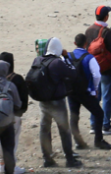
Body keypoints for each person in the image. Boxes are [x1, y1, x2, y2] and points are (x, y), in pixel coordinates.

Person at [33, 38, 82, 169]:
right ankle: (70, 159)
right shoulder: (57, 63)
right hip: (57, 102)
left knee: (44, 129)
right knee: (64, 131)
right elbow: (73, 72)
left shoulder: (38, 60)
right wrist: (66, 57)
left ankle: (47, 159)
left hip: (43, 101)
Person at [66, 35, 111, 153]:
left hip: (71, 91)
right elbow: (97, 75)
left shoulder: (67, 56)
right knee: (98, 113)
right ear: (86, 43)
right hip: (85, 91)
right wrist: (95, 88)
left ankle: (78, 141)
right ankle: (98, 140)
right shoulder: (89, 58)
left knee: (74, 115)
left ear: (74, 43)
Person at [84, 5, 111, 135]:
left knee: (95, 97)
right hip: (107, 70)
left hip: (92, 70)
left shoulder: (89, 30)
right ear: (106, 17)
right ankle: (105, 125)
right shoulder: (106, 32)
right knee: (106, 98)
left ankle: (94, 124)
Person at [0, 53, 29, 174]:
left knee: (0, 141)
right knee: (12, 142)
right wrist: (20, 113)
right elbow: (24, 100)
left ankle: (1, 166)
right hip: (13, 116)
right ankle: (11, 167)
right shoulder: (17, 79)